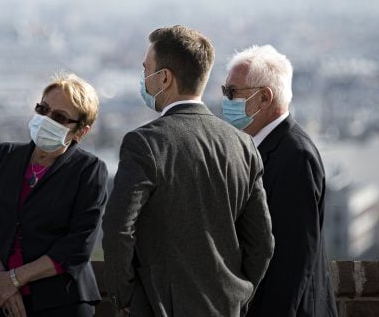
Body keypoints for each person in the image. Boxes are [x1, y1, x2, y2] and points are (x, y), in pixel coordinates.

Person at [102, 25, 274, 317]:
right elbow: (262, 244)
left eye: (146, 70)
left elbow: (118, 228)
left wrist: (127, 297)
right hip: (225, 307)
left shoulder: (145, 143)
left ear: (165, 78)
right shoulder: (243, 145)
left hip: (159, 306)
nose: (143, 79)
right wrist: (238, 294)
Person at [0, 72, 108, 317]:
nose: (46, 119)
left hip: (62, 303)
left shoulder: (88, 170)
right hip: (0, 300)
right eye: (43, 109)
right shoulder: (1, 156)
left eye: (59, 117)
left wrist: (14, 279)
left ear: (80, 131)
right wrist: (2, 283)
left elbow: (78, 244)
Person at [222, 45, 338, 317]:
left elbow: (292, 259)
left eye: (232, 92)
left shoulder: (295, 156)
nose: (226, 100)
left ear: (264, 97)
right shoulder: (266, 147)